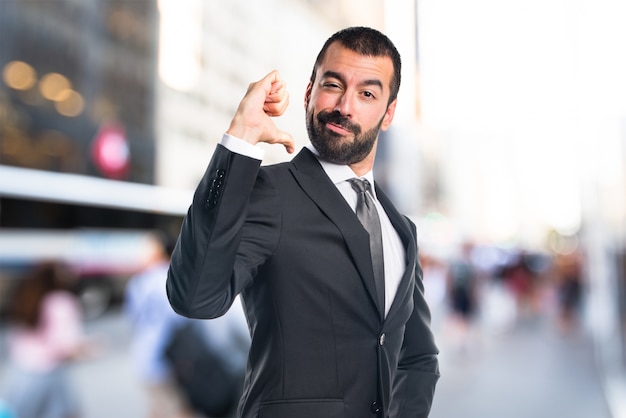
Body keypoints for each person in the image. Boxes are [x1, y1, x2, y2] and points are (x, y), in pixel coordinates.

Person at [167, 26, 440, 418]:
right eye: (333, 85)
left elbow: (418, 357)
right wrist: (241, 136)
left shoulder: (401, 228)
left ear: (388, 113)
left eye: (367, 93)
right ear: (310, 92)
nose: (345, 106)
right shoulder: (270, 192)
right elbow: (194, 297)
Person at [1, 261, 99, 418]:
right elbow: (66, 346)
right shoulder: (61, 301)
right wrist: (91, 348)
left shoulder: (26, 297)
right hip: (49, 375)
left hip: (21, 373)